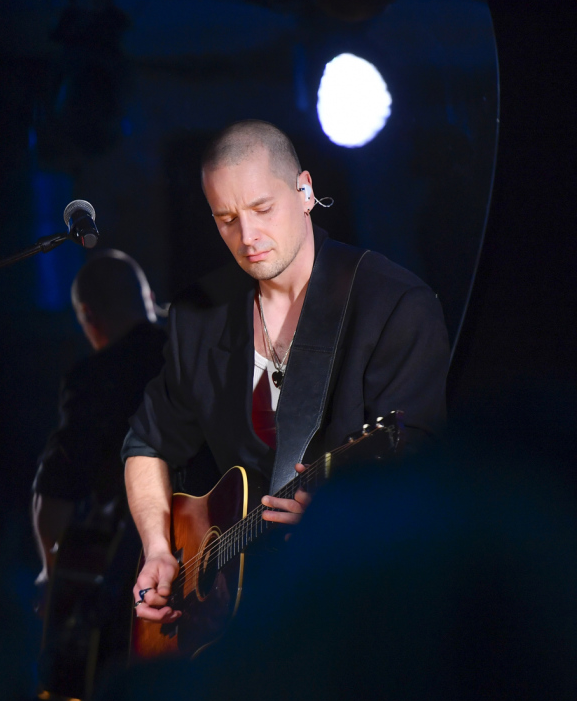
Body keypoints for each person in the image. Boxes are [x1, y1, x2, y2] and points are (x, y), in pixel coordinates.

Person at [124, 119, 451, 623]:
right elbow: (147, 445)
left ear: (304, 191)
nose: (247, 236)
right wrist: (158, 550)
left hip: (361, 609)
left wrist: (344, 518)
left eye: (262, 209)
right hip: (238, 623)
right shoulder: (198, 317)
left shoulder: (394, 306)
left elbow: (425, 480)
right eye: (226, 219)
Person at [32, 249, 166, 587]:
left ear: (88, 315)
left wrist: (51, 575)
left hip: (136, 566)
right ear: (150, 299)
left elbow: (56, 488)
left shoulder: (92, 379)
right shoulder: (196, 350)